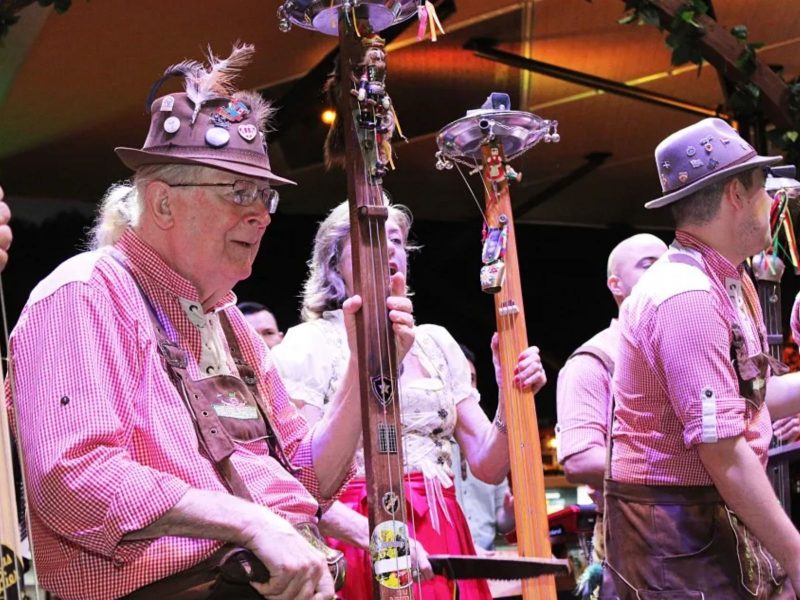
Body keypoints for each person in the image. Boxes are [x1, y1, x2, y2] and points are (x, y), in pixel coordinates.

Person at [6, 45, 415, 600]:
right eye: (237, 193)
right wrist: (251, 522)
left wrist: (367, 371)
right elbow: (75, 476)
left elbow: (307, 479)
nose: (259, 215)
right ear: (163, 203)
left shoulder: (228, 321)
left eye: (265, 196)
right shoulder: (86, 292)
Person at [272, 201, 546, 599]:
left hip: (442, 526)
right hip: (359, 529)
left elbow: (489, 466)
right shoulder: (308, 344)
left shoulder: (435, 342)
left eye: (397, 241)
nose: (388, 250)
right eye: (370, 240)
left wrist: (510, 393)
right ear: (334, 263)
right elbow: (300, 479)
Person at [605, 117, 800, 599]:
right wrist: (796, 554)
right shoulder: (686, 296)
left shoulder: (725, 279)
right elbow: (723, 452)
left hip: (703, 524)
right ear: (736, 193)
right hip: (679, 537)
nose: (772, 202)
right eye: (761, 190)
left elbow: (747, 402)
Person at [555, 232, 667, 598]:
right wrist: (675, 465)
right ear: (615, 285)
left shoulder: (683, 346)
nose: (664, 270)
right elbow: (580, 459)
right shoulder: (593, 361)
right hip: (636, 538)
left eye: (669, 261)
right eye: (648, 264)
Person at [451, 343, 514, 553]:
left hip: (487, 559)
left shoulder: (490, 442)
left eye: (472, 379)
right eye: (460, 379)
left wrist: (511, 513)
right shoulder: (430, 444)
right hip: (446, 559)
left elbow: (502, 522)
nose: (467, 388)